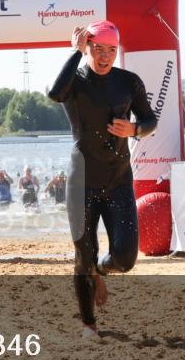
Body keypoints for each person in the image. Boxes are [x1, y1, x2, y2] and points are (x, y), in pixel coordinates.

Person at [48, 20, 157, 339]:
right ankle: (88, 324)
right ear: (87, 48)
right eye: (98, 49)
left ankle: (99, 270)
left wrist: (135, 130)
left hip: (118, 180)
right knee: (84, 253)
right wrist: (74, 53)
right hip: (81, 181)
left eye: (111, 50)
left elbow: (149, 119)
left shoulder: (128, 82)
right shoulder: (75, 81)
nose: (105, 56)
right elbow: (55, 94)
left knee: (125, 259)